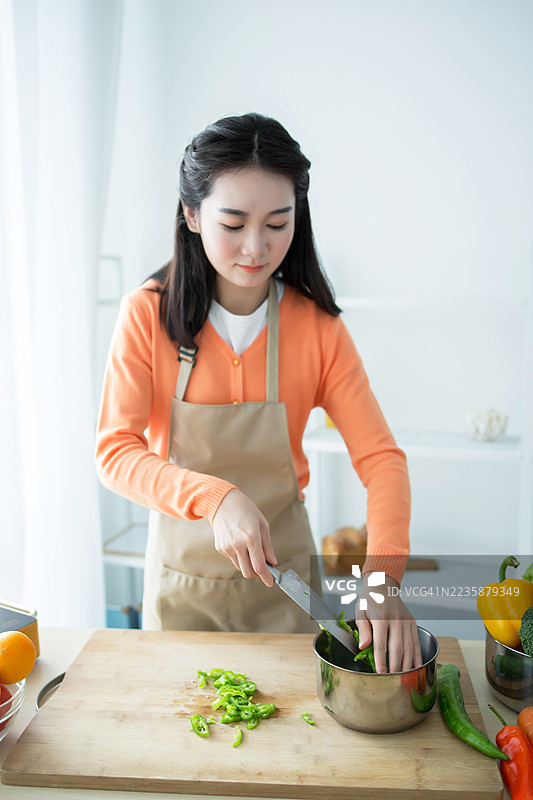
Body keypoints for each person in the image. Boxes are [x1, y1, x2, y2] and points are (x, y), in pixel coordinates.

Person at [95, 112, 422, 673]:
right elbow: (115, 452)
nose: (255, 246)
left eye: (278, 222)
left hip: (288, 595)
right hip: (182, 588)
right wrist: (215, 497)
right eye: (233, 222)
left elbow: (382, 460)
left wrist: (380, 580)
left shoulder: (318, 328)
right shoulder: (146, 314)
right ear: (192, 215)